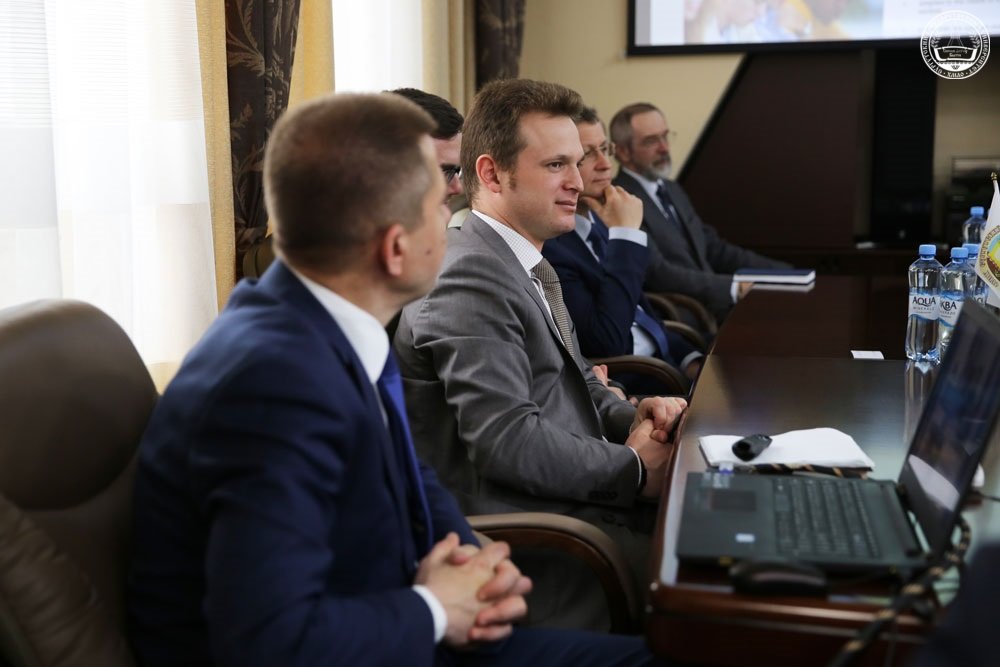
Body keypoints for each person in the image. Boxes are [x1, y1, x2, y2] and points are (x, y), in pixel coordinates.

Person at [127, 92, 657, 667]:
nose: (452, 220)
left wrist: (477, 563)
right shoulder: (272, 386)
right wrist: (434, 608)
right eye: (438, 205)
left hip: (394, 612)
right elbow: (270, 642)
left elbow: (414, 478)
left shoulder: (331, 322)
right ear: (395, 247)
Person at [394, 78, 686, 628]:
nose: (578, 181)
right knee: (720, 583)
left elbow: (577, 377)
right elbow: (506, 442)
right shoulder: (470, 276)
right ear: (490, 174)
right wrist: (634, 469)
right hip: (545, 544)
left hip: (579, 504)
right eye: (556, 165)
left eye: (576, 162)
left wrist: (634, 415)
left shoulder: (523, 257)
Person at [541, 106, 702, 394]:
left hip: (664, 363)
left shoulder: (600, 222)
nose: (606, 165)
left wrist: (691, 359)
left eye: (605, 149)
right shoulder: (552, 247)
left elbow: (641, 314)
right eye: (587, 154)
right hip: (635, 382)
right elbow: (607, 341)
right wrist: (626, 235)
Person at [610, 102, 791, 323]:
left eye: (665, 136)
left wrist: (784, 272)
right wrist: (733, 287)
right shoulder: (621, 201)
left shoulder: (671, 189)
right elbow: (660, 273)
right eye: (651, 141)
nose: (664, 148)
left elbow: (713, 248)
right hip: (686, 317)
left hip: (715, 307)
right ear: (623, 152)